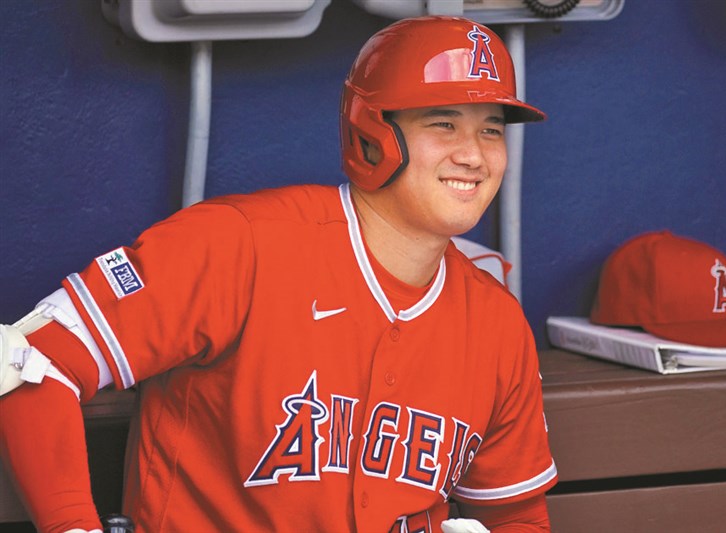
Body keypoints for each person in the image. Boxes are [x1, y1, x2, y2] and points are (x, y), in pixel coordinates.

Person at [0, 15, 558, 532]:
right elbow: (30, 362)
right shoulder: (235, 244)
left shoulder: (496, 323)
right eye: (444, 123)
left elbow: (517, 514)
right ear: (372, 132)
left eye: (491, 130)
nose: (474, 156)